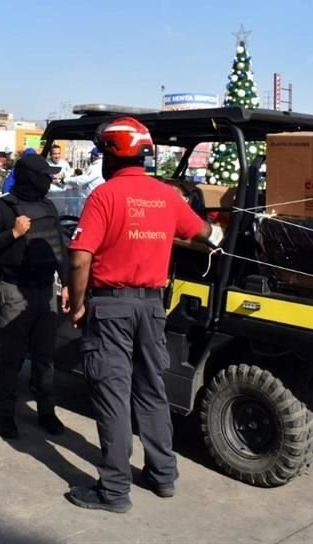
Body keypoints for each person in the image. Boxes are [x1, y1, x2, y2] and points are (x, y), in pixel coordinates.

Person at [66, 116, 214, 514]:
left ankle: (114, 491)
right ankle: (163, 476)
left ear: (112, 155)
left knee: (112, 395)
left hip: (111, 305)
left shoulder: (104, 196)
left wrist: (78, 303)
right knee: (151, 390)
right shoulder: (166, 195)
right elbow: (203, 233)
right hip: (152, 306)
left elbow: (80, 257)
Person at [0, 154, 71, 440]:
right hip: (15, 289)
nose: (49, 180)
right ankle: (5, 416)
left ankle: (46, 412)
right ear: (29, 177)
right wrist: (13, 233)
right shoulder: (1, 208)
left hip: (44, 290)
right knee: (11, 356)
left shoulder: (48, 206)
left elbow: (58, 248)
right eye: (44, 175)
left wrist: (65, 283)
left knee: (44, 356)